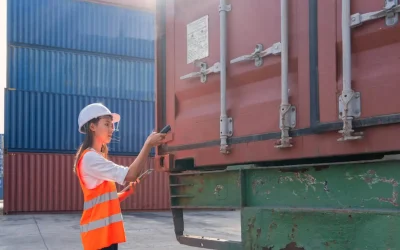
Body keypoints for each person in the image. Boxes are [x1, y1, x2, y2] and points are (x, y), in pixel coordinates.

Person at [73, 103, 166, 250]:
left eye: (112, 125)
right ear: (92, 127)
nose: (112, 129)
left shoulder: (95, 157)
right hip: (98, 238)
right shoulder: (90, 158)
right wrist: (148, 144)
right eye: (107, 124)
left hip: (104, 236)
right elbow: (130, 174)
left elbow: (103, 199)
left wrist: (125, 192)